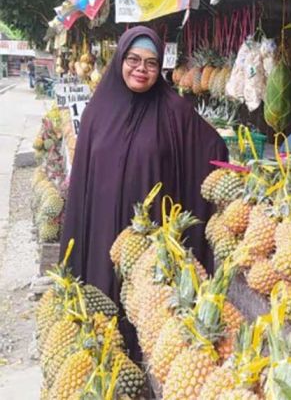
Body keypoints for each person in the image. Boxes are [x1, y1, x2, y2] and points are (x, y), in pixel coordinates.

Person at [60, 26, 227, 359]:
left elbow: (213, 148)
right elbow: (82, 183)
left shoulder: (174, 111)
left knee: (145, 314)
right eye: (133, 59)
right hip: (103, 230)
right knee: (103, 309)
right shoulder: (97, 111)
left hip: (151, 237)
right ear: (120, 59)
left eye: (151, 63)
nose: (141, 69)